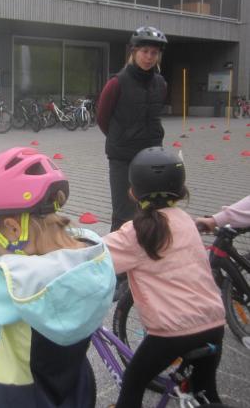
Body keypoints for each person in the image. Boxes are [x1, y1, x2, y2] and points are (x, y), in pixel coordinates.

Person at [0, 147, 115, 408]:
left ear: (13, 229)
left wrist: (2, 267)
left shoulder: (14, 286)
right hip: (73, 391)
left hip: (18, 396)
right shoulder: (95, 259)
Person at [103, 147, 226, 408]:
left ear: (132, 192)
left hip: (171, 333)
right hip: (214, 324)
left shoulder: (134, 233)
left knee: (133, 384)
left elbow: (95, 257)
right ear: (181, 190)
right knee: (205, 393)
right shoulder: (186, 220)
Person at [97, 26, 168, 232]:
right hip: (123, 158)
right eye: (144, 51)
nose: (149, 57)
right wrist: (121, 138)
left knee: (151, 212)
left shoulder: (160, 83)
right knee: (124, 215)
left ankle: (147, 250)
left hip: (152, 157)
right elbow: (102, 118)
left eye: (154, 53)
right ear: (134, 52)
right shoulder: (117, 83)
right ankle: (116, 252)